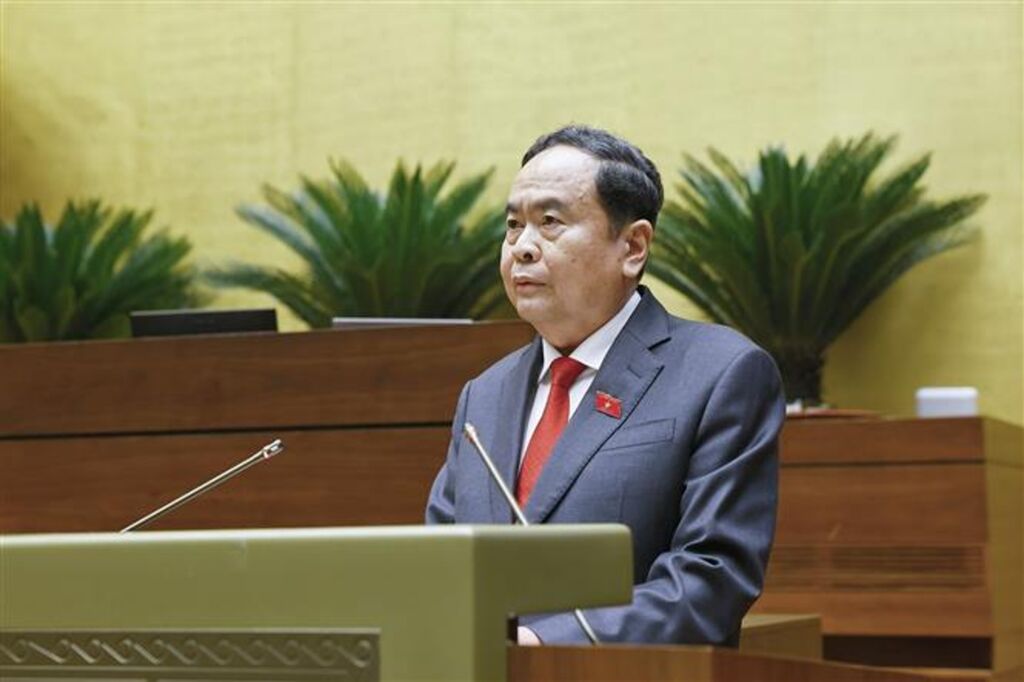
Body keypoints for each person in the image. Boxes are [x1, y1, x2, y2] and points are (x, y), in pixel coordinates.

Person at [425, 125, 785, 645]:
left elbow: (710, 579)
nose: (522, 247)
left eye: (549, 222)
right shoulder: (484, 394)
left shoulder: (720, 373)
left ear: (633, 246)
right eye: (512, 225)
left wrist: (544, 644)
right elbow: (439, 566)